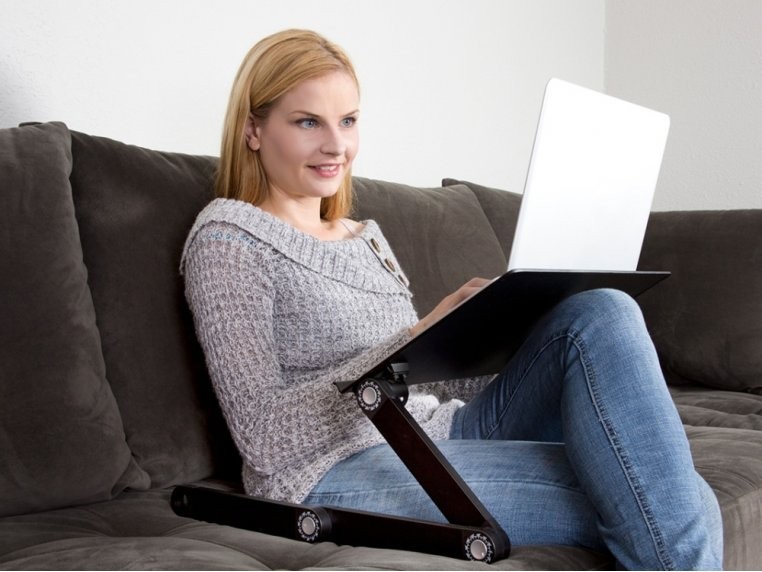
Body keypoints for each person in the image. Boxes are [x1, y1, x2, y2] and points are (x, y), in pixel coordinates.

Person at [181, 28, 723, 570]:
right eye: (308, 122)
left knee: (601, 310)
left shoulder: (363, 236)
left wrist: (484, 330)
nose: (337, 146)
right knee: (673, 501)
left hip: (437, 431)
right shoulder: (228, 239)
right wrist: (412, 338)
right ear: (253, 129)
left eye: (348, 120)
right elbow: (264, 437)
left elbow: (421, 382)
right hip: (328, 470)